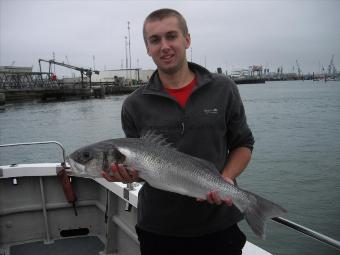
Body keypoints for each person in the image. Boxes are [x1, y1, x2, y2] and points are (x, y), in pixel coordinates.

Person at [103, 8, 254, 255]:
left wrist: (225, 179)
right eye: (155, 40)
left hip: (219, 225)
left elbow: (243, 143)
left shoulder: (224, 88)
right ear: (148, 48)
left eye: (171, 36)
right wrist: (126, 175)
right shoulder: (133, 105)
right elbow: (142, 169)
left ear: (187, 39)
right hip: (159, 231)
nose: (164, 46)